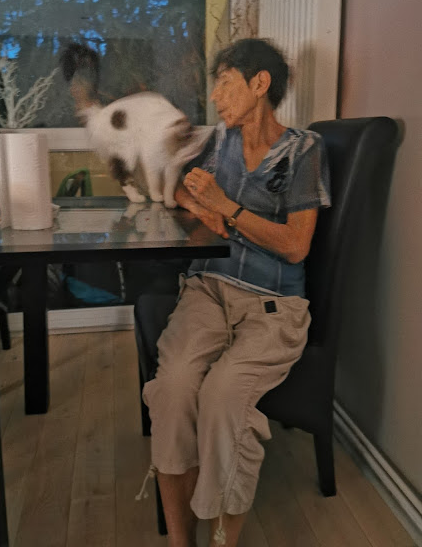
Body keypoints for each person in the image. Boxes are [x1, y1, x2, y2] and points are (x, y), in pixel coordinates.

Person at [139, 38, 331, 547]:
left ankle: (220, 541)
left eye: (225, 83)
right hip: (207, 290)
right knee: (174, 387)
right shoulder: (218, 141)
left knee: (224, 397)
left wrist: (226, 207)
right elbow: (178, 188)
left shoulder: (303, 150)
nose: (216, 97)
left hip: (273, 305)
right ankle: (181, 541)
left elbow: (296, 246)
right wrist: (197, 204)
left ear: (259, 83)